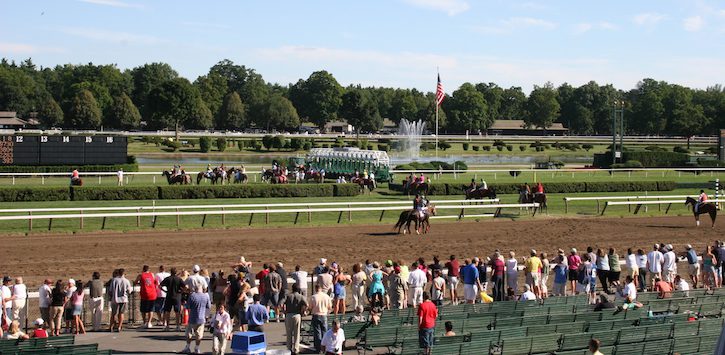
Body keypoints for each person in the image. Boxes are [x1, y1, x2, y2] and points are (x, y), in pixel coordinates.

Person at [182, 285, 211, 355]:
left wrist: (185, 305)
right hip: (201, 318)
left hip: (192, 317)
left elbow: (188, 306)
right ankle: (197, 348)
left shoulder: (192, 296)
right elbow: (209, 306)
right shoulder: (206, 296)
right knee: (199, 334)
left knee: (189, 333)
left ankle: (188, 347)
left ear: (195, 289)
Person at [284, 284, 308, 355]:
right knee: (297, 333)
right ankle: (296, 349)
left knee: (289, 333)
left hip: (288, 315)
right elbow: (307, 304)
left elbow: (282, 303)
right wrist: (303, 311)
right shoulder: (301, 296)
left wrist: (284, 311)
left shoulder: (288, 296)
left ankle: (289, 348)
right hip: (297, 314)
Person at [108, 268, 132, 332]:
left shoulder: (114, 280)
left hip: (115, 298)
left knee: (113, 313)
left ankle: (111, 326)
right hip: (123, 299)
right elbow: (129, 291)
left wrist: (111, 297)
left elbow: (110, 291)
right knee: (121, 313)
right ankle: (119, 326)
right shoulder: (126, 281)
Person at [311, 285, 332, 353]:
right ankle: (325, 347)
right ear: (321, 289)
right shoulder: (326, 296)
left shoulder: (313, 297)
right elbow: (330, 307)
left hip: (316, 315)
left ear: (315, 289)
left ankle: (318, 348)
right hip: (324, 315)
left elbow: (310, 306)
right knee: (325, 332)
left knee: (317, 332)